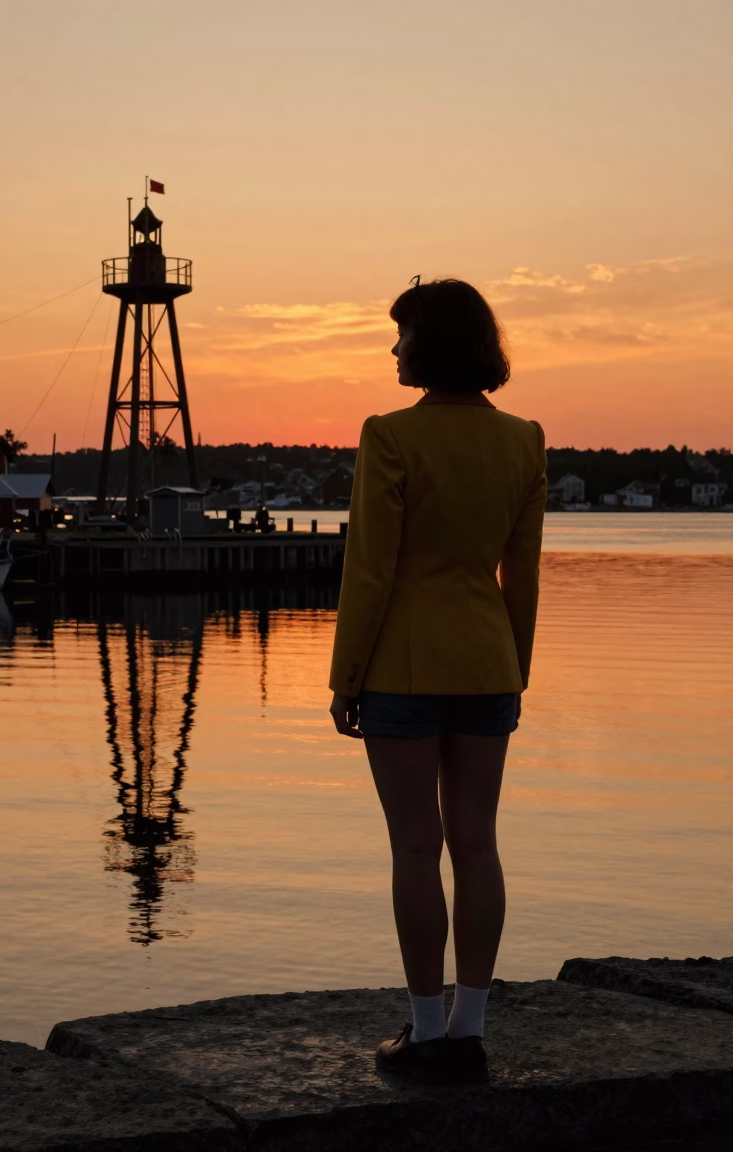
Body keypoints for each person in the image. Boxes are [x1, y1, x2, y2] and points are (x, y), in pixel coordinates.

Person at [329, 278, 546, 1086]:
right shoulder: (525, 440)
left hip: (403, 669)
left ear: (432, 342)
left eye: (403, 333)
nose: (393, 348)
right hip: (489, 662)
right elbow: (519, 577)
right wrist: (514, 666)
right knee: (478, 844)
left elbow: (371, 571)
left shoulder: (389, 437)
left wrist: (347, 675)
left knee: (416, 846)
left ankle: (425, 1034)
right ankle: (471, 1028)